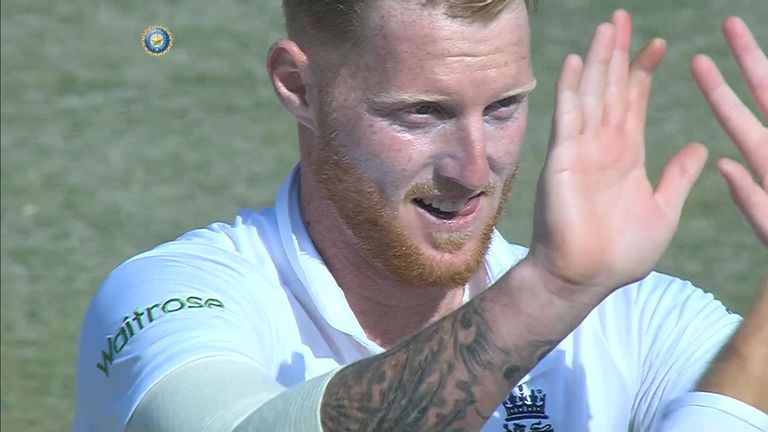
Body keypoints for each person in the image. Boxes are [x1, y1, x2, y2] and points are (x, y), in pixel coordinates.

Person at [72, 1, 767, 430]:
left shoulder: (638, 323)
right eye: (422, 113)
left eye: (504, 107)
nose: (473, 169)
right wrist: (551, 291)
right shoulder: (176, 296)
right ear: (299, 86)